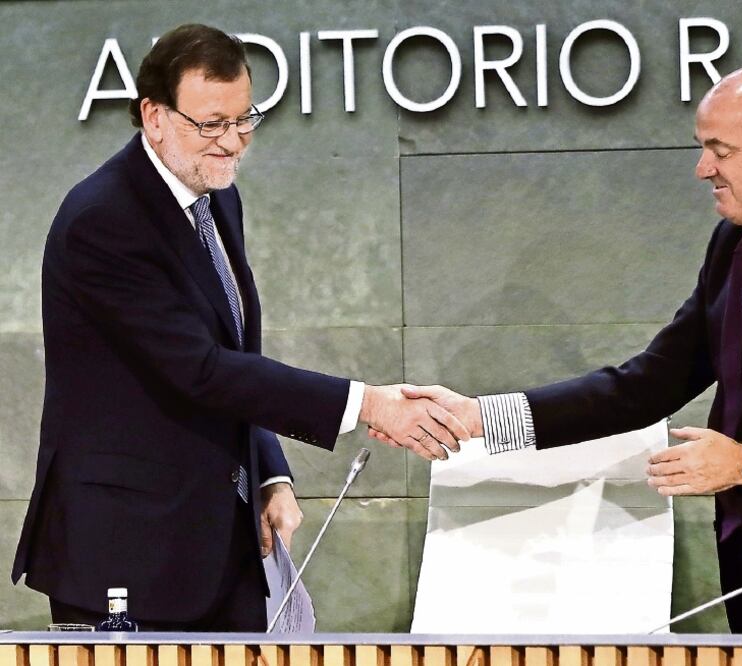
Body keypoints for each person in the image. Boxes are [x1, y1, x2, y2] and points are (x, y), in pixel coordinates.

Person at [380, 63, 742, 633]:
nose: (702, 168)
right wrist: (480, 417)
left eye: (721, 150)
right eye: (701, 146)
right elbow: (650, 383)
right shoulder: (735, 241)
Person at [11, 23, 469, 631]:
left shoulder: (215, 195)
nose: (233, 142)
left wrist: (267, 468)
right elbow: (198, 369)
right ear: (153, 115)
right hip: (127, 551)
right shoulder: (104, 220)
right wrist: (369, 405)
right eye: (211, 124)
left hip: (219, 540)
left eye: (243, 119)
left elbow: (229, 355)